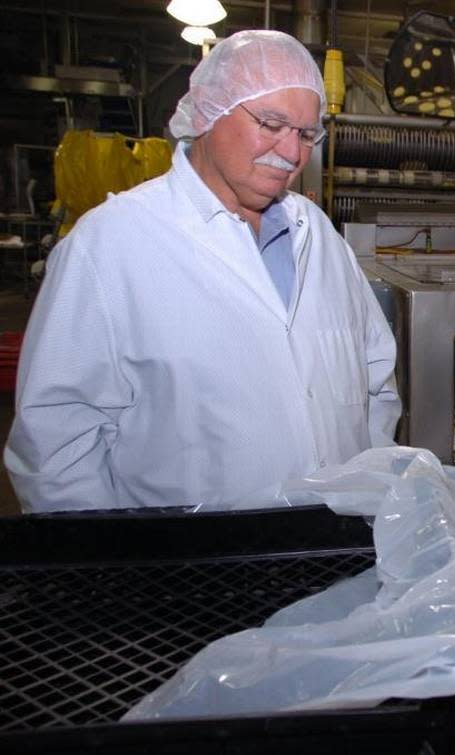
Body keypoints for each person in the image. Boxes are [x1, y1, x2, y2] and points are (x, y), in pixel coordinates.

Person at [5, 30, 401, 512]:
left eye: (305, 134)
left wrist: (367, 499)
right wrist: (107, 572)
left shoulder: (317, 234)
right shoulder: (110, 244)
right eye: (272, 124)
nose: (292, 153)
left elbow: (375, 379)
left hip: (331, 545)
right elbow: (57, 440)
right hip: (187, 568)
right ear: (209, 112)